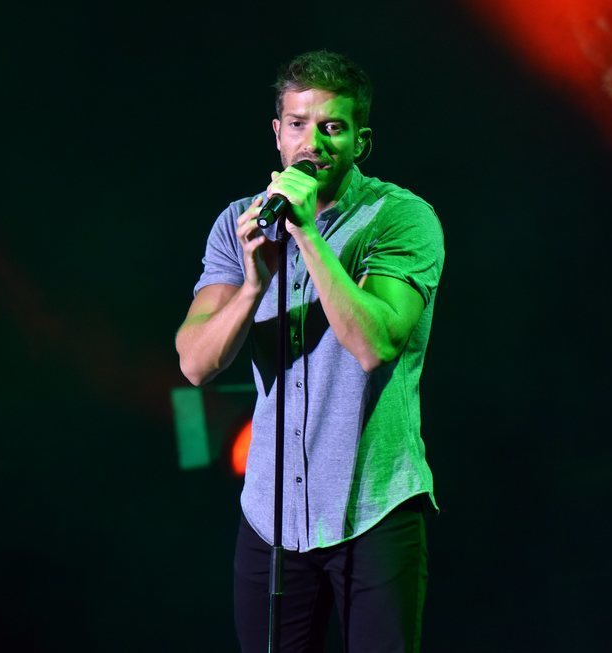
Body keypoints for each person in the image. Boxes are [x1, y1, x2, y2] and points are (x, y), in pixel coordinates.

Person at [176, 49, 444, 652]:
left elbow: (374, 343)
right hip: (270, 520)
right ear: (276, 134)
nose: (312, 143)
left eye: (331, 127)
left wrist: (308, 236)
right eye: (297, 124)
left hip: (373, 510)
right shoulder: (237, 226)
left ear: (361, 140)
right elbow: (195, 363)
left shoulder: (399, 219)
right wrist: (252, 286)